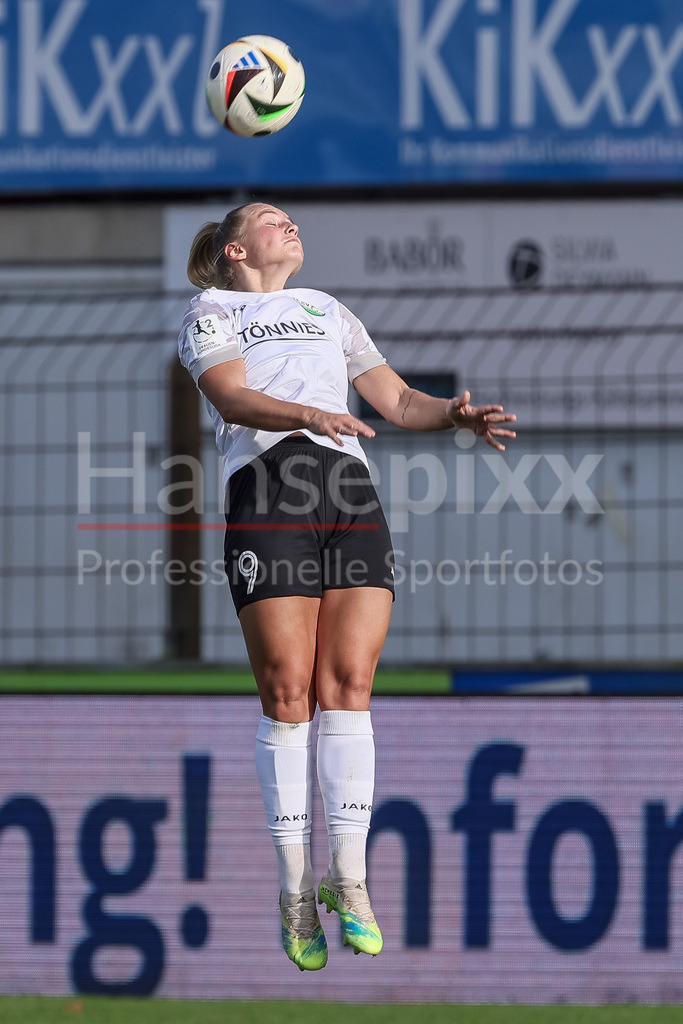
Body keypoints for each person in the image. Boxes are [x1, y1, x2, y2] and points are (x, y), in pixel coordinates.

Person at [178, 202, 516, 972]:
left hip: (348, 489)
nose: (289, 225)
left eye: (292, 218)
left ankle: (349, 879)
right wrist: (305, 413)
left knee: (351, 682)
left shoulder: (326, 310)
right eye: (272, 220)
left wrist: (452, 415)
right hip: (270, 486)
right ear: (235, 250)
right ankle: (296, 889)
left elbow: (395, 401)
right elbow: (230, 397)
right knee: (289, 690)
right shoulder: (211, 308)